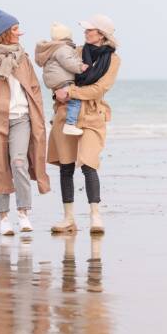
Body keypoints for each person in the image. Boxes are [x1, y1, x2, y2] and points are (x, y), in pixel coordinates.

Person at [0, 8, 51, 235]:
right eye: (15, 29)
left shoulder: (22, 57)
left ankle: (23, 213)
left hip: (22, 118)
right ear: (4, 32)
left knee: (19, 162)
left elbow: (34, 89)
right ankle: (3, 218)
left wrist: (40, 118)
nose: (19, 33)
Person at [48, 14, 121, 234]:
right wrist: (57, 94)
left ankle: (95, 215)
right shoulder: (76, 52)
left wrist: (70, 92)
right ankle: (68, 218)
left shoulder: (113, 60)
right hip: (65, 114)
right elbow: (59, 76)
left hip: (92, 116)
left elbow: (99, 89)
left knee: (89, 163)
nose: (86, 32)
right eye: (86, 29)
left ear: (102, 34)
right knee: (66, 166)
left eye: (90, 30)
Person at [34, 22, 88, 136]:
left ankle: (55, 116)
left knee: (60, 99)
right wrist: (80, 67)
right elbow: (67, 61)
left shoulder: (51, 48)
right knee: (75, 100)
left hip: (54, 80)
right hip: (62, 79)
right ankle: (70, 124)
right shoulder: (63, 48)